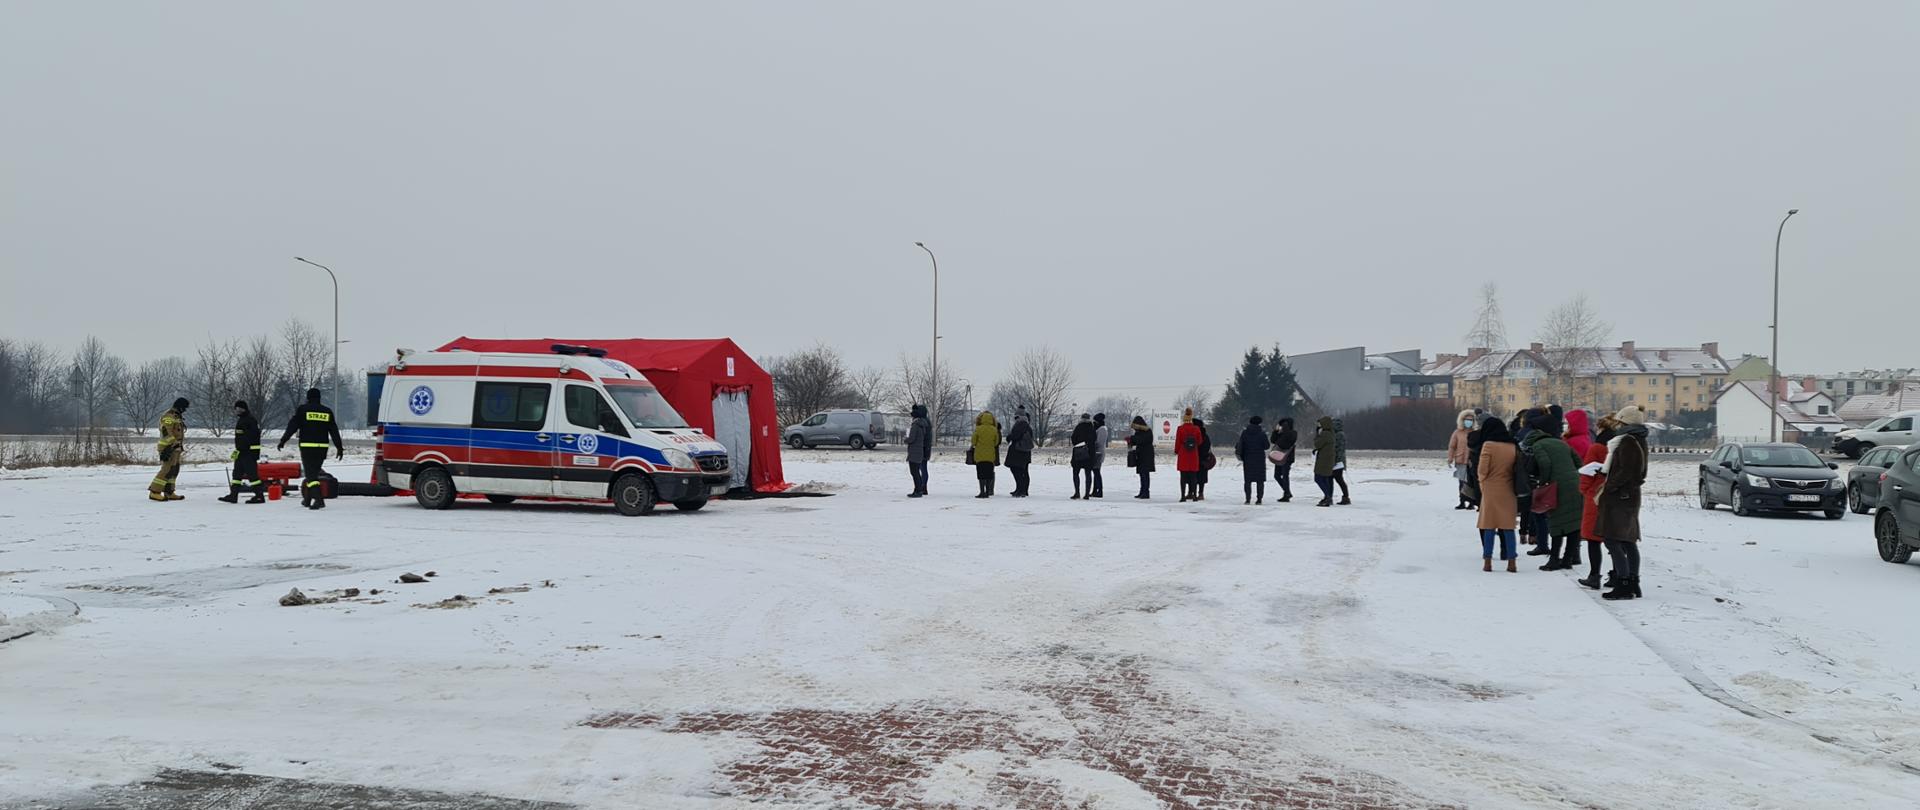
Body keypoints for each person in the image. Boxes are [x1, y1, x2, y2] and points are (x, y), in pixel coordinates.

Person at [1598, 406, 1650, 600]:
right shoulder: (1638, 439)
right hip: (1629, 495)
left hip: (1622, 496)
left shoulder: (1627, 441)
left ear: (1624, 422)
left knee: (1613, 539)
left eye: (1618, 421)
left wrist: (1610, 485)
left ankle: (1623, 583)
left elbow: (1628, 470)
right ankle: (1633, 582)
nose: (1616, 425)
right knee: (1628, 541)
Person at [1526, 410, 1584, 572]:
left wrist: (1544, 482)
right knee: (1573, 523)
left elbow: (1545, 464)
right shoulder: (1562, 443)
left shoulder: (1538, 445)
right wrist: (1575, 476)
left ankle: (1554, 559)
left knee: (1556, 522)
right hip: (1574, 483)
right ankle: (1567, 559)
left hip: (1557, 486)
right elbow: (1579, 461)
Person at [278, 387, 345, 510]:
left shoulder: (303, 410)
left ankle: (319, 500)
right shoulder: (327, 411)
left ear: (308, 397)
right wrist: (339, 448)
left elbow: (292, 426)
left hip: (307, 447)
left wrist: (283, 440)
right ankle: (307, 499)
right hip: (322, 448)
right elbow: (334, 431)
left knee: (311, 475)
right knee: (313, 473)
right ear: (319, 398)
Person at [1576, 415, 1618, 590]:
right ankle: (1617, 574)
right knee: (1614, 538)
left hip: (1596, 495)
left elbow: (1587, 473)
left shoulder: (1597, 447)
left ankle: (1594, 575)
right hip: (1615, 494)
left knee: (1593, 539)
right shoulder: (1619, 446)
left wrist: (1585, 490)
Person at [1475, 418, 1521, 572]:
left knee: (1488, 525)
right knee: (1508, 526)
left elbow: (1482, 471)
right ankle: (1512, 561)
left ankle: (1487, 561)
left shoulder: (1488, 445)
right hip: (1509, 488)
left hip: (1490, 488)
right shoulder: (1512, 446)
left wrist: (1482, 484)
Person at [219, 400, 266, 504]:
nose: (237, 411)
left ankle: (259, 496)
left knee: (252, 475)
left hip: (248, 453)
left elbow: (252, 437)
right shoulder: (242, 420)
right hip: (241, 452)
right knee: (236, 474)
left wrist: (247, 450)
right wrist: (238, 450)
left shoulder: (250, 420)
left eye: (239, 409)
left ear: (244, 409)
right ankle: (233, 495)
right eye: (236, 409)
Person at [148, 397, 190, 502]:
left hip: (175, 448)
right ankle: (154, 492)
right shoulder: (169, 416)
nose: (185, 410)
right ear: (180, 406)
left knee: (174, 469)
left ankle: (169, 491)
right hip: (168, 447)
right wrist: (174, 442)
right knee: (166, 469)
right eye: (184, 408)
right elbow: (166, 431)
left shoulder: (176, 416)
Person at [1236, 416, 1270, 505]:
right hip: (1259, 459)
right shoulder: (1262, 434)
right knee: (1260, 480)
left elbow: (1241, 444)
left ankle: (1247, 499)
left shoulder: (1244, 433)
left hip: (1248, 458)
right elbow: (1267, 446)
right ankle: (1259, 499)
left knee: (1247, 480)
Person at [1448, 409, 1477, 510]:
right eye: (1466, 419)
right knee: (1461, 482)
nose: (1468, 422)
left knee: (1471, 482)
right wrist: (1450, 458)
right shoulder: (1457, 432)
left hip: (1471, 461)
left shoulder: (1476, 433)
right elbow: (1452, 446)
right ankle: (1462, 501)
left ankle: (1471, 503)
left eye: (1471, 420)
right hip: (1460, 460)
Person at [970, 410, 1001, 499]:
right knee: (989, 473)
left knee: (981, 474)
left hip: (979, 455)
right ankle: (988, 491)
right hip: (990, 455)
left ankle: (982, 491)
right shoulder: (994, 429)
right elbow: (996, 442)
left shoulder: (978, 429)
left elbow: (973, 441)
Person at [1004, 407, 1034, 498]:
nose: (1015, 419)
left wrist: (1009, 437)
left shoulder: (1020, 424)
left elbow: (1015, 436)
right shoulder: (1028, 425)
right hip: (1026, 452)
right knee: (1024, 471)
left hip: (1018, 452)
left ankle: (1020, 490)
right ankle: (1023, 490)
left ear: (1019, 417)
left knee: (1016, 470)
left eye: (1016, 417)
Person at [1175, 409, 1203, 502]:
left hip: (1183, 453)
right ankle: (1194, 495)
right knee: (1193, 476)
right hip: (1193, 454)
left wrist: (1177, 451)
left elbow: (1178, 442)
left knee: (1183, 476)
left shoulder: (1180, 429)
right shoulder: (1196, 429)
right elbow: (1200, 441)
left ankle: (1183, 496)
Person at [905, 404, 932, 498]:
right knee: (921, 469)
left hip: (920, 449)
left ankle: (920, 488)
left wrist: (907, 439)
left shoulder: (918, 424)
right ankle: (922, 488)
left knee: (917, 471)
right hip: (923, 448)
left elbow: (913, 438)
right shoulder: (925, 423)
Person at [1269, 417, 1297, 502]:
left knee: (1285, 475)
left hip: (1287, 457)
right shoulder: (1281, 433)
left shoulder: (1293, 433)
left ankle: (1286, 494)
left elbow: (1284, 443)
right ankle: (1287, 491)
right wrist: (1276, 431)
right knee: (1277, 475)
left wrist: (1284, 430)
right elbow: (1273, 440)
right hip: (1278, 456)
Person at [1311, 416, 1337, 507]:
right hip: (1328, 459)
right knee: (1325, 479)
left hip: (1323, 459)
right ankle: (1328, 497)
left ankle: (1327, 496)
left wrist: (1317, 434)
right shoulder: (1331, 433)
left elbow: (1317, 444)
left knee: (1318, 478)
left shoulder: (1325, 434)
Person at [1069, 413, 1097, 499]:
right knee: (1088, 474)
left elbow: (1073, 438)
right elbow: (1094, 439)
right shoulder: (1092, 428)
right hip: (1089, 454)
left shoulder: (1078, 427)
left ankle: (1077, 492)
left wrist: (1078, 444)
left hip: (1078, 452)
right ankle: (1087, 494)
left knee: (1076, 473)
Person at [1127, 415, 1156, 498]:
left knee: (1145, 474)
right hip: (1140, 455)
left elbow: (1141, 440)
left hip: (1147, 455)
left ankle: (1146, 492)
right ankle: (1142, 491)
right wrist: (1130, 441)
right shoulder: (1140, 432)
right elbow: (1137, 441)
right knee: (1141, 474)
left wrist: (1132, 438)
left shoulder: (1148, 431)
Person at [1330, 417, 1351, 505]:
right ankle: (1342, 497)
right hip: (1338, 461)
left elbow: (1339, 449)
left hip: (1338, 462)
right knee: (1336, 479)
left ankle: (1345, 497)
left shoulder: (1339, 435)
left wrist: (1335, 460)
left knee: (1339, 479)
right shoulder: (1338, 434)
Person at [1194, 417, 1215, 501]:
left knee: (1193, 476)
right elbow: (1207, 446)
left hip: (1195, 458)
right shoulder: (1205, 435)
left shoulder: (1195, 434)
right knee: (1202, 478)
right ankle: (1201, 493)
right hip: (1203, 459)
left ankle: (1192, 492)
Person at [1090, 413, 1110, 498]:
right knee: (1095, 472)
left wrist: (1092, 444)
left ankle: (1100, 490)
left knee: (1096, 472)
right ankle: (1095, 490)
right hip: (1096, 452)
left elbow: (1099, 442)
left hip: (1099, 453)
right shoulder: (1099, 428)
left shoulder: (1102, 429)